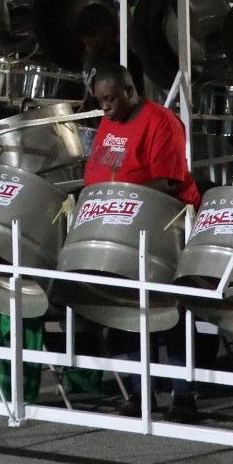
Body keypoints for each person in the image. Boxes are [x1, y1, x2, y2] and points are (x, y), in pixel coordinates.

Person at [84, 63, 203, 420]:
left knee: (173, 310)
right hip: (121, 226)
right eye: (100, 101)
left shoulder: (161, 122)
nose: (104, 107)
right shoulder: (110, 121)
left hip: (163, 222)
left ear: (130, 90)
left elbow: (167, 181)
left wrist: (118, 197)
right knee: (129, 309)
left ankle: (183, 395)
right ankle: (141, 393)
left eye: (109, 99)